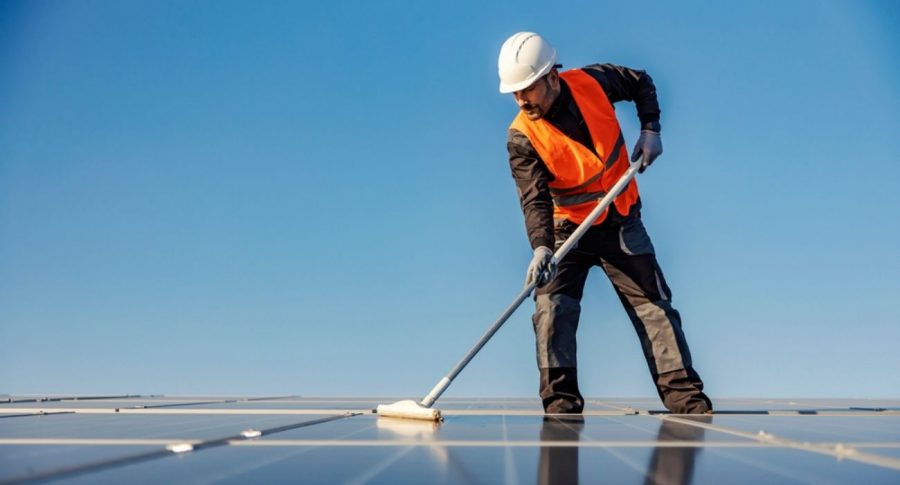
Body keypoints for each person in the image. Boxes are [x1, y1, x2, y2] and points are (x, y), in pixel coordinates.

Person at [498, 32, 712, 414]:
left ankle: (687, 403)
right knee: (551, 311)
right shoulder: (521, 136)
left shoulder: (592, 82)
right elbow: (534, 198)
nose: (520, 99)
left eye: (526, 89)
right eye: (514, 93)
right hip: (567, 233)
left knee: (655, 310)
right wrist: (542, 247)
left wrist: (651, 129)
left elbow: (640, 81)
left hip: (621, 221)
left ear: (551, 76)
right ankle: (560, 407)